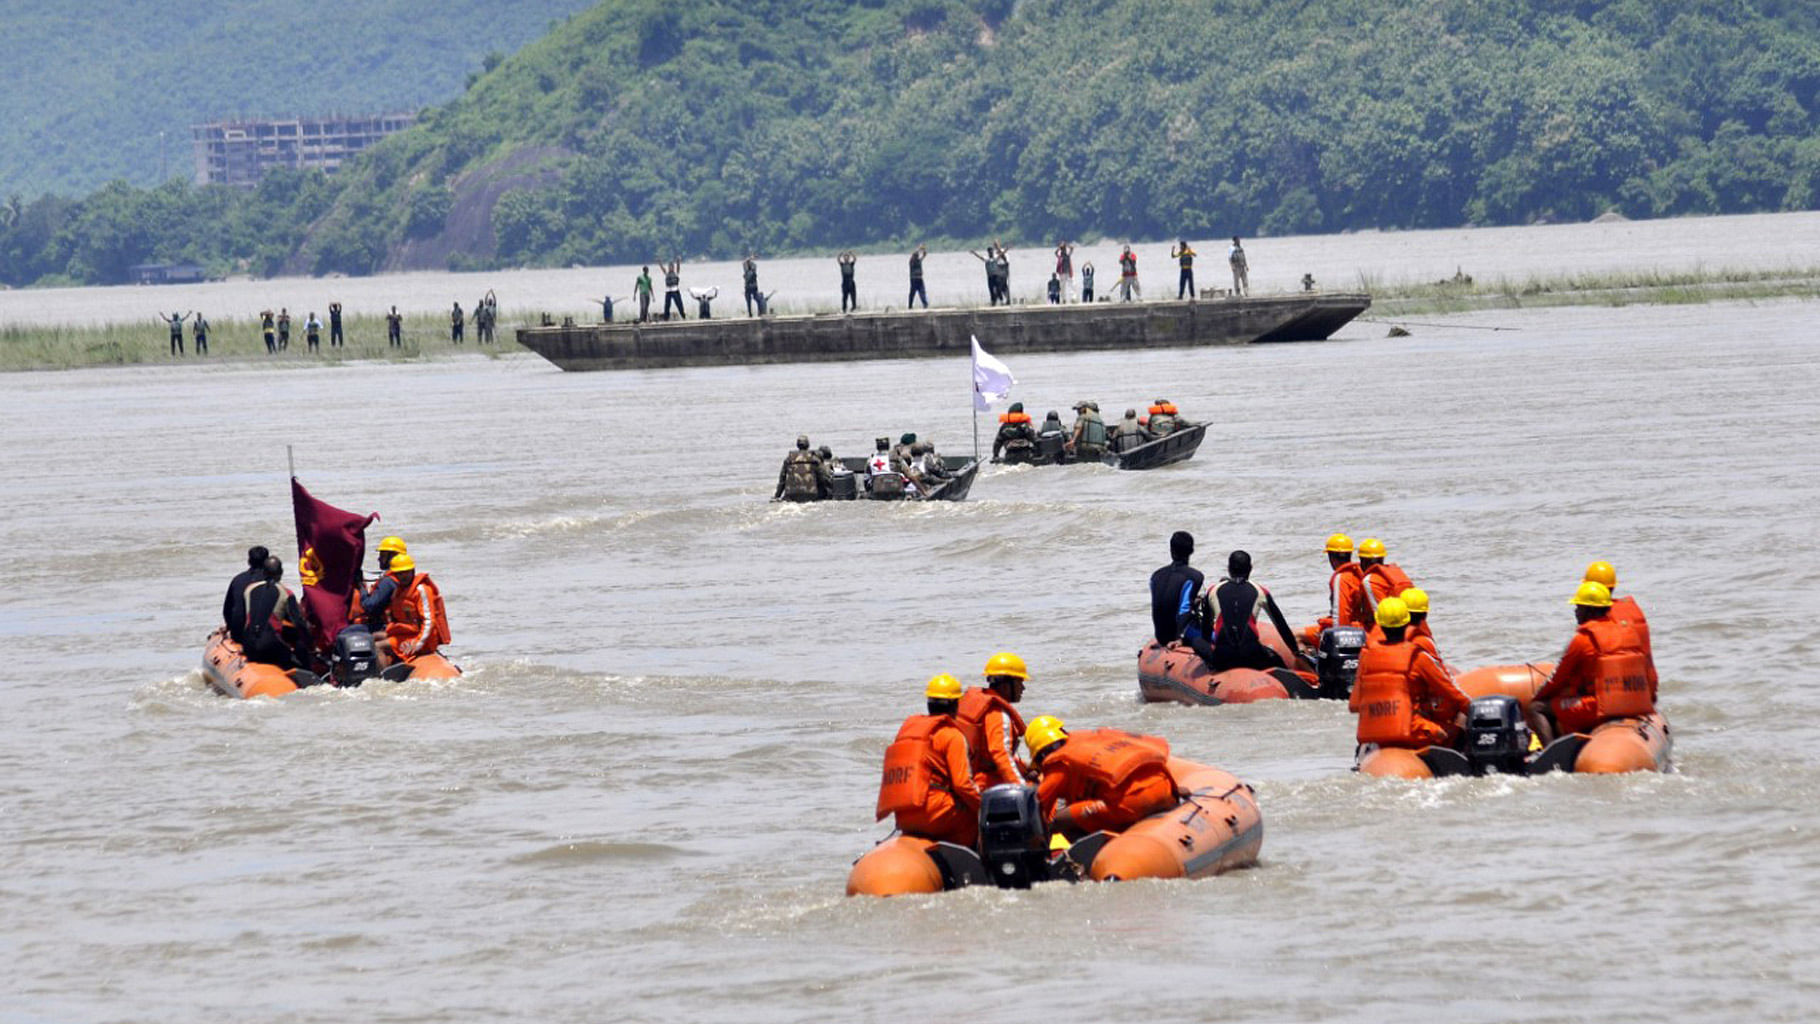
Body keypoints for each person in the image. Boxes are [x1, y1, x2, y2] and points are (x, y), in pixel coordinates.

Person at [1528, 581, 1653, 745]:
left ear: (1590, 610)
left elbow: (1558, 678)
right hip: (1634, 703)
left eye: (1579, 607)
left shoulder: (1583, 639)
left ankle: (1550, 756)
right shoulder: (1626, 631)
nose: (1576, 611)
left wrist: (1537, 697)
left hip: (1599, 706)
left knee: (1536, 708)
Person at [874, 674, 982, 849]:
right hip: (935, 814)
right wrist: (984, 806)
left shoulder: (908, 731)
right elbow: (963, 785)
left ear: (929, 704)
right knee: (974, 816)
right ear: (956, 705)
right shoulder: (951, 735)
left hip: (903, 816)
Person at [1025, 716, 1178, 838]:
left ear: (1041, 756)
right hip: (1165, 788)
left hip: (1130, 804)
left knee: (1060, 820)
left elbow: (1038, 804)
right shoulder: (1090, 741)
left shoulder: (1058, 764)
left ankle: (1082, 862)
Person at [1350, 597, 1470, 750]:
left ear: (1379, 625)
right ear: (1407, 624)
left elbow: (1354, 705)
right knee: (1459, 731)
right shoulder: (1418, 657)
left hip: (1374, 735)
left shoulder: (1366, 657)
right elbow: (1453, 695)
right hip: (1413, 732)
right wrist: (1473, 710)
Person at [1208, 550, 1299, 671]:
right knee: (1277, 660)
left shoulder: (1213, 590)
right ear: (1250, 569)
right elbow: (1281, 626)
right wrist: (1296, 651)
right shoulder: (1260, 590)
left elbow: (1205, 630)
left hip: (1222, 658)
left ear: (1229, 569)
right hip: (1252, 656)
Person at [957, 653, 1030, 788]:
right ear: (1007, 684)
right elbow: (1000, 755)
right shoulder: (997, 714)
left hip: (967, 777)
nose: (1023, 688)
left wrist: (1026, 768)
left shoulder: (979, 705)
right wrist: (1024, 790)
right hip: (983, 784)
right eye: (1020, 682)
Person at [1151, 530, 1215, 665]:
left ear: (1171, 550)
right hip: (1177, 636)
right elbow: (1184, 609)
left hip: (1161, 635)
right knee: (1219, 637)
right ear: (1191, 551)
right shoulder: (1195, 577)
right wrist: (1179, 638)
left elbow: (1160, 604)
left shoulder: (1156, 576)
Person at [1583, 560, 1655, 681]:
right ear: (1613, 586)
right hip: (1646, 685)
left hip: (1611, 689)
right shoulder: (1632, 609)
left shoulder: (1596, 614)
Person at [240, 556, 314, 670]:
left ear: (263, 572)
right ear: (281, 573)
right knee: (299, 643)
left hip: (248, 646)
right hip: (270, 647)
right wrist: (311, 646)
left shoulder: (249, 589)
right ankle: (309, 671)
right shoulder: (286, 593)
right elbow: (299, 624)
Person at [377, 552, 450, 666]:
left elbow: (429, 621)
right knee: (372, 638)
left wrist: (417, 644)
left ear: (413, 571)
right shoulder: (399, 591)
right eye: (399, 574)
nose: (403, 576)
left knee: (377, 647)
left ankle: (381, 678)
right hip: (406, 634)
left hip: (419, 639)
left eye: (406, 572)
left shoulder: (421, 590)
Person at [1308, 532, 1372, 642]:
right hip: (1363, 628)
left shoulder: (1341, 579)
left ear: (1331, 557)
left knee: (1296, 635)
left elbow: (1341, 618)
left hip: (1350, 633)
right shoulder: (1358, 573)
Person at [357, 536, 410, 632]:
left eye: (382, 555)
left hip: (385, 626)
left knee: (347, 631)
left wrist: (361, 586)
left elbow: (369, 606)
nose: (379, 559)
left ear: (393, 556)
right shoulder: (402, 577)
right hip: (394, 624)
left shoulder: (389, 581)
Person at [223, 545, 271, 644]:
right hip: (263, 635)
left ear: (249, 561)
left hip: (238, 634)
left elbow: (227, 610)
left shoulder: (237, 580)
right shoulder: (272, 582)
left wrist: (229, 627)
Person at [1357, 538, 1415, 616]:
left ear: (1362, 561)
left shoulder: (1369, 581)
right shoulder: (1396, 573)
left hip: (1391, 623)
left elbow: (1380, 615)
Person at [775, 435, 830, 501]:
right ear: (808, 445)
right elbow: (824, 478)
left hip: (791, 496)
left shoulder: (789, 459)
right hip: (811, 495)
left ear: (797, 445)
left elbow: (782, 481)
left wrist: (777, 496)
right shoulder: (814, 459)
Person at [907, 244, 928, 309]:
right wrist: (919, 249)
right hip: (914, 279)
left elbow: (923, 257)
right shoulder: (912, 261)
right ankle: (910, 306)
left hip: (918, 278)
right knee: (914, 293)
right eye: (916, 255)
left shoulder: (918, 261)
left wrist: (923, 252)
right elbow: (916, 255)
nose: (917, 256)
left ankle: (925, 304)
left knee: (921, 292)